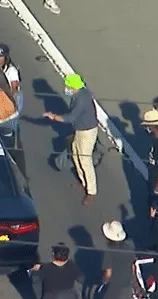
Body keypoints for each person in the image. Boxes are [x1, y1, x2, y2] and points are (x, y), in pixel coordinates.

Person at [43, 74, 98, 205]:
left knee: (85, 160)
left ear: (73, 86)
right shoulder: (79, 94)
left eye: (67, 86)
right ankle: (83, 182)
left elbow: (71, 117)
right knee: (75, 155)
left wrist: (54, 117)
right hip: (80, 129)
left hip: (87, 131)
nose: (65, 88)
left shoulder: (82, 99)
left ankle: (91, 191)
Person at [98, 221, 136, 299]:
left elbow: (108, 273)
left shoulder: (109, 252)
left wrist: (103, 282)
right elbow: (133, 267)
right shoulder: (129, 247)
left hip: (115, 286)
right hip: (127, 284)